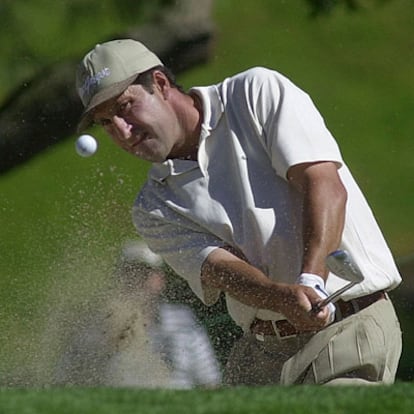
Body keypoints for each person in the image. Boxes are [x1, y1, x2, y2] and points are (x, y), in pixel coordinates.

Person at [75, 39, 402, 385]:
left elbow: (324, 184)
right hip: (261, 351)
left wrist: (310, 280)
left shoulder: (255, 94)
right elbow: (221, 270)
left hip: (348, 326)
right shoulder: (152, 206)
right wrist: (282, 297)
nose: (123, 131)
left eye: (126, 107)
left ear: (160, 83)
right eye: (107, 122)